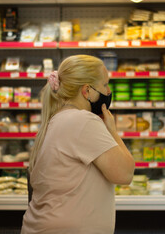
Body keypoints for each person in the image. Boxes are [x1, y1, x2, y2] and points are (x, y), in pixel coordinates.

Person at [21, 55, 135, 234]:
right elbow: (125, 173)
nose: (108, 91)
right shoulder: (83, 120)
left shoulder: (59, 118)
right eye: (104, 85)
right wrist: (111, 130)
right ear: (86, 91)